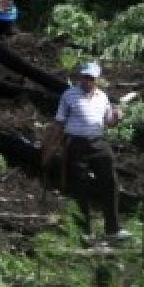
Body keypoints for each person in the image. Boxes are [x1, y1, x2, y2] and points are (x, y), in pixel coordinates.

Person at [44, 62, 129, 244]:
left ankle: (112, 229)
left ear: (97, 79)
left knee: (110, 182)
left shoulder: (102, 97)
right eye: (85, 77)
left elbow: (108, 122)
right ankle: (84, 231)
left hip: (98, 143)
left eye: (91, 78)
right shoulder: (69, 95)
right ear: (80, 77)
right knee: (79, 185)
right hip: (76, 144)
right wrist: (49, 148)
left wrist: (116, 117)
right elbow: (59, 123)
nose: (87, 81)